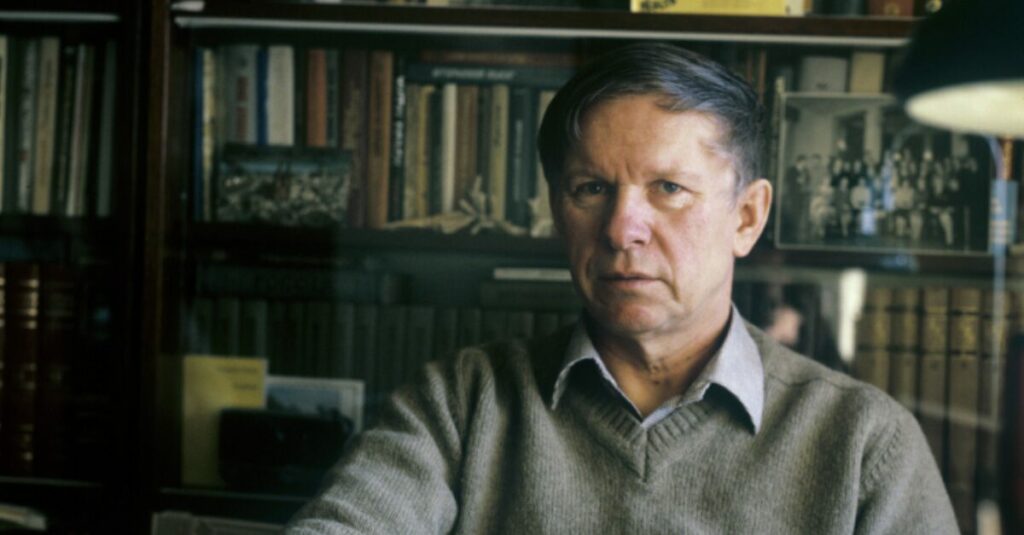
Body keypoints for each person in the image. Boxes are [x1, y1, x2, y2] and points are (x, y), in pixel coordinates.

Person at [286, 42, 956, 534]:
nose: (620, 228)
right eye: (591, 188)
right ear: (558, 211)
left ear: (747, 217)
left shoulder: (863, 442)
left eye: (668, 188)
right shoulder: (462, 403)